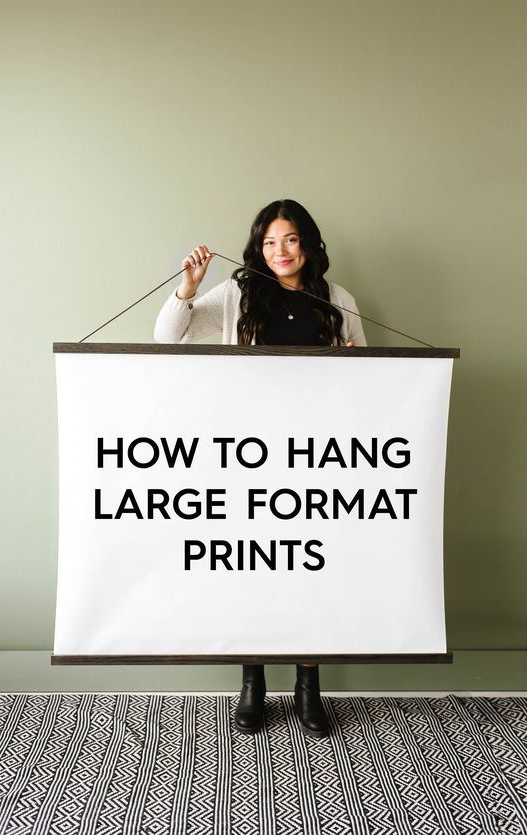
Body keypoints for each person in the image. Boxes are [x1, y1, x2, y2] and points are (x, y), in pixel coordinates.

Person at [154, 199, 366, 737]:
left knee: (312, 568)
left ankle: (307, 686)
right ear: (257, 247)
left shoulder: (337, 299)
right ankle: (253, 683)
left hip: (317, 455)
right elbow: (167, 338)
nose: (280, 251)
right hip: (250, 454)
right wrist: (188, 286)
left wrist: (349, 363)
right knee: (252, 566)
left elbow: (369, 377)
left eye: (290, 240)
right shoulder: (236, 295)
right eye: (270, 242)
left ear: (309, 245)